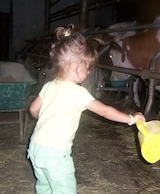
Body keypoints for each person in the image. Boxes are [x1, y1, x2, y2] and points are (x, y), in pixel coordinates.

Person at [27, 30, 145, 194]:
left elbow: (33, 109)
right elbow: (105, 111)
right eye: (88, 68)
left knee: (44, 186)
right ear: (75, 66)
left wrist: (46, 118)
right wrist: (131, 119)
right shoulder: (78, 93)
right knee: (64, 189)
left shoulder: (49, 86)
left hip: (36, 148)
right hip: (56, 153)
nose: (89, 72)